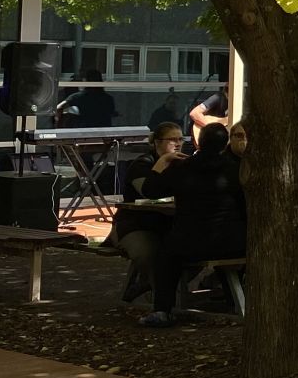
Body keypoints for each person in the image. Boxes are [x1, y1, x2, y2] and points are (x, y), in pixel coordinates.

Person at [140, 122, 247, 327]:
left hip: (191, 242)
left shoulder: (183, 167)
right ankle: (232, 299)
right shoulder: (236, 170)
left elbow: (150, 190)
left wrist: (162, 162)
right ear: (225, 143)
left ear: (199, 141)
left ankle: (162, 308)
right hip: (232, 241)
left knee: (165, 254)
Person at [106, 121, 184, 291]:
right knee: (147, 254)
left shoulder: (181, 164)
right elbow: (149, 191)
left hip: (168, 225)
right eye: (172, 139)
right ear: (157, 142)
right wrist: (162, 162)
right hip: (136, 225)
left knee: (196, 249)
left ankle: (154, 288)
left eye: (180, 139)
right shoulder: (142, 164)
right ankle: (159, 294)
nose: (178, 143)